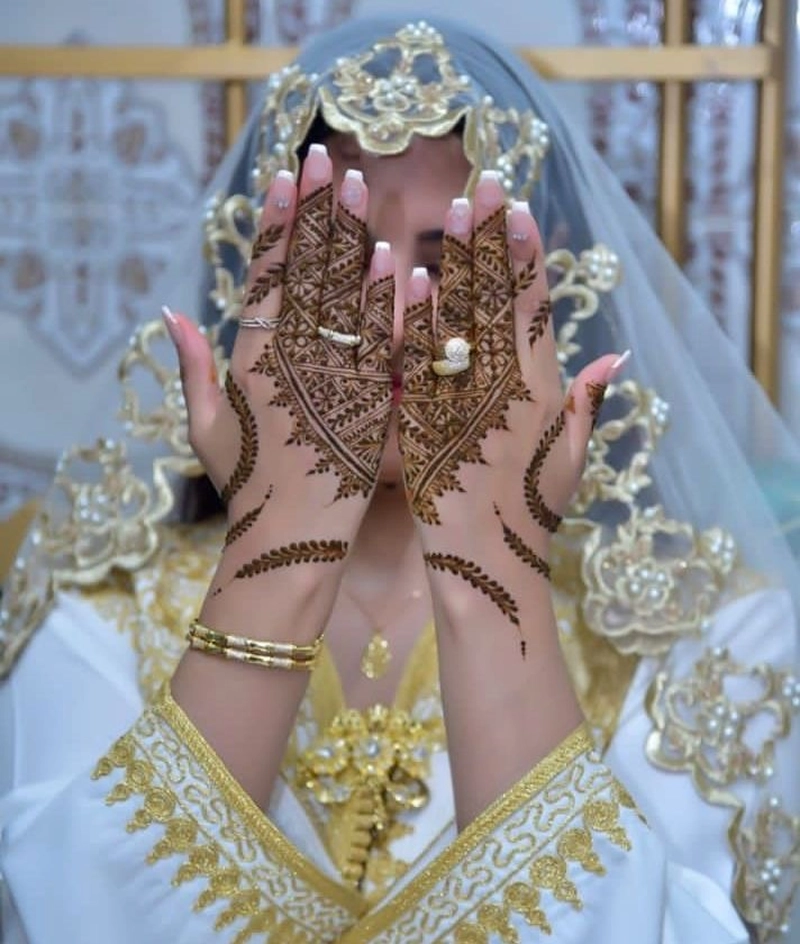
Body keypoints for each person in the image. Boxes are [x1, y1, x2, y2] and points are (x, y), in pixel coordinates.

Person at [1, 15, 799, 943]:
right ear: (254, 292)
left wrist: (491, 571)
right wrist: (278, 554)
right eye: (336, 266)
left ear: (552, 299)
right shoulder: (94, 611)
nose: (386, 323)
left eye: (448, 266)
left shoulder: (714, 644)